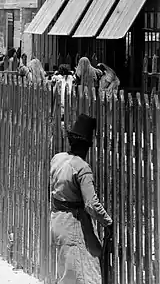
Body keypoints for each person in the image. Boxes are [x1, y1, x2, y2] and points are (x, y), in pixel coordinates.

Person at [50, 113, 113, 283]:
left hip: (57, 220)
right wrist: (107, 222)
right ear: (86, 145)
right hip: (74, 224)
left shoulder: (58, 158)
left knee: (67, 270)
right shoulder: (82, 168)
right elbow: (91, 204)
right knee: (85, 272)